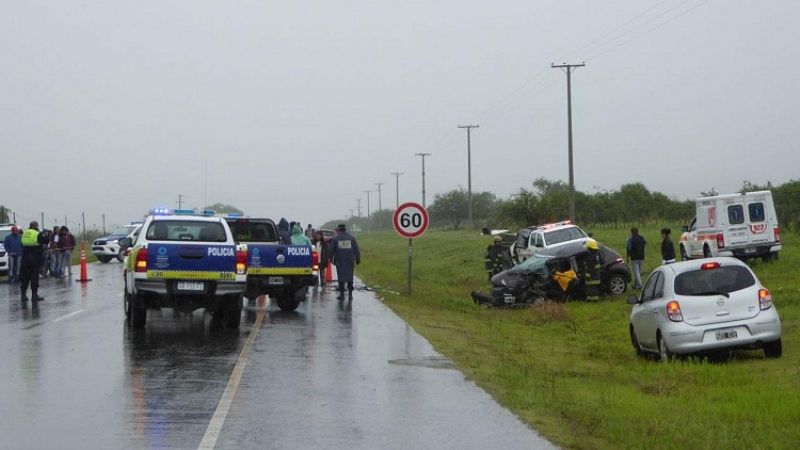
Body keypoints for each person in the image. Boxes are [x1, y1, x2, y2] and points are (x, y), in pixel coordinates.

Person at [20, 221, 49, 309]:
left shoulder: (25, 233)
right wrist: (45, 234)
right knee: (34, 278)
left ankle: (23, 295)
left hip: (25, 259)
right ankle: (34, 295)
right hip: (34, 258)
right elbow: (46, 241)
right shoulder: (37, 234)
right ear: (36, 226)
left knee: (25, 278)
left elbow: (21, 244)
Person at [330, 223, 360, 301]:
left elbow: (331, 250)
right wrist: (357, 259)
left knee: (341, 277)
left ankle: (342, 294)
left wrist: (330, 259)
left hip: (339, 260)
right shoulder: (351, 238)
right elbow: (356, 250)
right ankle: (350, 295)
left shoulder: (335, 239)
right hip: (350, 260)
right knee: (350, 277)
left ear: (339, 230)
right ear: (345, 230)